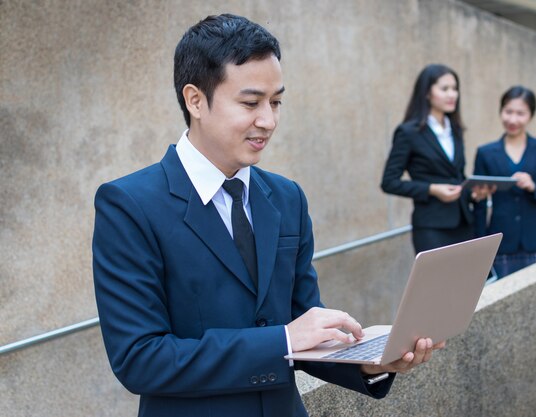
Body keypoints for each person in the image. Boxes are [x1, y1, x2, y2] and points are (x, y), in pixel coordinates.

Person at [92, 14, 443, 417]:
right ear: (195, 100)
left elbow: (301, 324)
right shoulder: (128, 204)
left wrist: (369, 361)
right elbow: (141, 359)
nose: (269, 121)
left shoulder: (286, 197)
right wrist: (283, 341)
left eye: (276, 102)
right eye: (250, 102)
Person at [381, 64, 486, 253]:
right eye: (444, 89)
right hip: (432, 228)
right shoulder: (408, 132)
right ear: (427, 93)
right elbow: (389, 182)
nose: (452, 94)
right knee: (438, 283)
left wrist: (473, 192)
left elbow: (456, 177)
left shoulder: (455, 130)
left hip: (464, 223)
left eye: (455, 89)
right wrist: (432, 189)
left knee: (467, 282)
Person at [473, 86, 536, 279]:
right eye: (508, 112)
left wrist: (534, 187)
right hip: (501, 243)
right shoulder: (485, 153)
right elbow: (479, 205)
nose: (513, 120)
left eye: (520, 113)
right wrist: (480, 245)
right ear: (501, 111)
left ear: (531, 115)